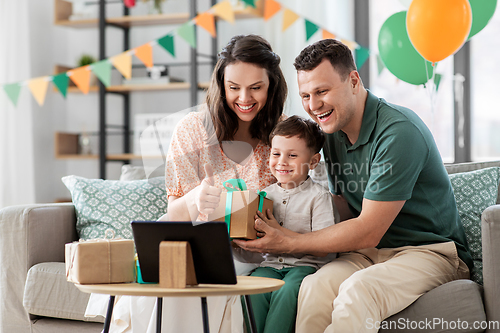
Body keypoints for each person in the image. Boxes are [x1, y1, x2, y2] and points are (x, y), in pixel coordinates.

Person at [234, 38, 472, 333]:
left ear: (354, 81)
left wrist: (288, 241)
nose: (313, 104)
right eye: (306, 95)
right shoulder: (331, 132)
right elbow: (343, 207)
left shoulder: (398, 133)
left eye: (322, 91)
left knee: (358, 291)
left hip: (427, 252)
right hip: (367, 252)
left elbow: (369, 228)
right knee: (313, 286)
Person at [85, 34, 288, 333]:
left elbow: (297, 198)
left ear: (271, 86)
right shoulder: (192, 129)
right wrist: (196, 200)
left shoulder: (282, 135)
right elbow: (174, 212)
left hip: (249, 253)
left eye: (256, 88)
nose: (244, 99)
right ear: (221, 86)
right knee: (176, 284)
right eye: (234, 88)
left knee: (203, 287)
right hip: (190, 243)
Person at [240, 115, 338, 333]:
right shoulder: (264, 195)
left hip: (304, 266)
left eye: (292, 155)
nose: (282, 161)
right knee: (251, 288)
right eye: (276, 154)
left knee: (287, 291)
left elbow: (324, 246)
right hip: (271, 265)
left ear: (313, 161)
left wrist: (278, 231)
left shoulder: (318, 197)